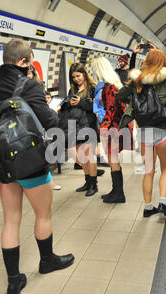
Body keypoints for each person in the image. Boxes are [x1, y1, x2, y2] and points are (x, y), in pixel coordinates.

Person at [0, 39, 74, 294]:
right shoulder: (28, 85)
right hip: (29, 163)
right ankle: (47, 261)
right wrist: (55, 109)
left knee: (11, 221)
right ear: (23, 62)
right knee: (43, 215)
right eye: (29, 61)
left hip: (1, 166)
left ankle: (13, 282)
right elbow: (49, 120)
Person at [118, 49, 166, 218]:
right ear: (163, 62)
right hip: (162, 128)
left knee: (148, 170)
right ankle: (163, 202)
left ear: (147, 61)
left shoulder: (138, 79)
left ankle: (148, 207)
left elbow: (121, 95)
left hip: (143, 130)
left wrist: (135, 96)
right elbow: (165, 100)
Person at [91, 57, 133, 203]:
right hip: (117, 126)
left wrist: (104, 127)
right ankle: (116, 191)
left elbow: (110, 109)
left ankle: (118, 193)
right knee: (113, 158)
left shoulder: (108, 87)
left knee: (112, 158)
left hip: (111, 128)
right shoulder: (115, 84)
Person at [58, 63, 100, 196]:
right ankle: (87, 181)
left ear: (84, 74)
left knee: (89, 156)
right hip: (75, 127)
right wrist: (69, 103)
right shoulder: (73, 90)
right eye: (74, 77)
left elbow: (95, 107)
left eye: (78, 75)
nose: (76, 79)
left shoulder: (92, 88)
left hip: (88, 126)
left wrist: (81, 102)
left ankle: (94, 184)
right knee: (82, 157)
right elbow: (65, 106)